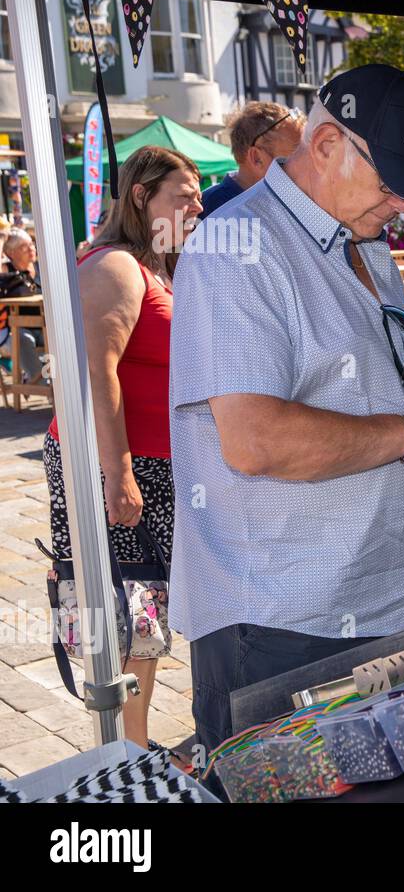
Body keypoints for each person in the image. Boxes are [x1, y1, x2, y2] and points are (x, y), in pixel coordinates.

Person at [170, 65, 404, 752]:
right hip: (289, 621)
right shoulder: (238, 248)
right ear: (325, 146)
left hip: (387, 597)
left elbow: (356, 401)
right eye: (390, 184)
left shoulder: (363, 241)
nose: (403, 207)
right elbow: (257, 439)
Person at [43, 146, 201, 747]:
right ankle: (120, 746)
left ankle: (131, 740)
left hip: (154, 463)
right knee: (117, 602)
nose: (197, 205)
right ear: (141, 196)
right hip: (114, 463)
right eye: (183, 194)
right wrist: (118, 474)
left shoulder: (157, 264)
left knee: (144, 605)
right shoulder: (113, 265)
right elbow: (92, 374)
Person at [199, 102, 304, 220]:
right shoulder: (208, 209)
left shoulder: (295, 201)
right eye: (295, 155)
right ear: (256, 158)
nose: (306, 165)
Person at [0, 228, 43, 382]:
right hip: (16, 329)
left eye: (32, 244)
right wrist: (2, 241)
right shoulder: (6, 270)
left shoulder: (41, 267)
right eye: (24, 246)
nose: (32, 248)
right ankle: (42, 384)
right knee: (22, 339)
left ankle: (40, 379)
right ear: (11, 253)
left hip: (44, 325)